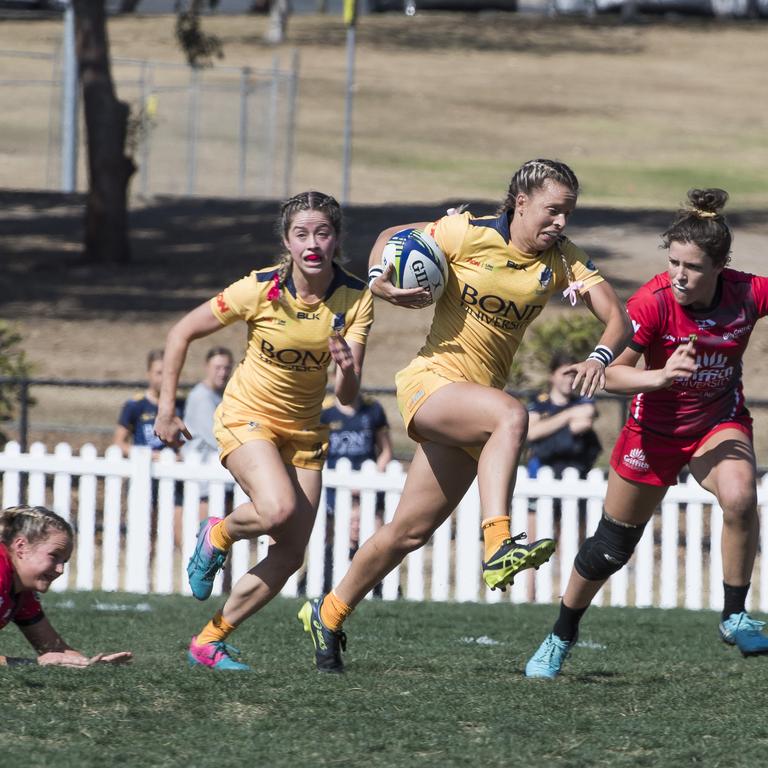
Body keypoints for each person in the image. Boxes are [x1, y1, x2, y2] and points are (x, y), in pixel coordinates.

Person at [298, 158, 632, 673]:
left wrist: (598, 357)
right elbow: (391, 233)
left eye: (569, 213)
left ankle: (329, 612)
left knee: (409, 532)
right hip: (432, 383)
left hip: (474, 405)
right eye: (553, 211)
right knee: (512, 416)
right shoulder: (464, 231)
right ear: (521, 203)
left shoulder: (564, 260)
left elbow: (618, 319)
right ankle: (499, 539)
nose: (561, 223)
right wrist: (378, 279)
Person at [526, 188, 768, 679]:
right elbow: (609, 374)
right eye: (674, 261)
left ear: (720, 267)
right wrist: (658, 378)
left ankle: (734, 615)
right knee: (610, 549)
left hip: (716, 425)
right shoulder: (652, 302)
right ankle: (561, 634)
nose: (679, 274)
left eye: (693, 266)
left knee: (741, 497)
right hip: (651, 433)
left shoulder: (748, 294)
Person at [153, 190, 374, 671]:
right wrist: (167, 410)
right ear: (287, 241)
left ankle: (208, 642)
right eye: (301, 234)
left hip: (306, 432)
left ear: (336, 240)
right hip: (246, 416)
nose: (312, 243)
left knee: (292, 551)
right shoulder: (259, 288)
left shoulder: (356, 297)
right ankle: (218, 535)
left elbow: (349, 397)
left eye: (322, 232)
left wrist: (347, 367)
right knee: (277, 509)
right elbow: (181, 333)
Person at [0, 505, 132, 668]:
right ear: (21, 547)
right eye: (54, 556)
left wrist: (90, 665)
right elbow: (47, 658)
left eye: (64, 561)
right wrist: (33, 663)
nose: (60, 569)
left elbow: (55, 649)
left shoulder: (21, 590)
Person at [320, 394, 394, 592]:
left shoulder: (373, 409)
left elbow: (386, 450)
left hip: (367, 491)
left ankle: (382, 587)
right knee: (330, 537)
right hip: (333, 490)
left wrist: (369, 480)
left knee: (374, 532)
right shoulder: (324, 411)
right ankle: (323, 583)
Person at [526, 350, 601, 479]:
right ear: (552, 375)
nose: (570, 380)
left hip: (575, 471)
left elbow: (586, 420)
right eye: (564, 374)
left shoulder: (581, 401)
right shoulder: (540, 402)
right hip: (542, 471)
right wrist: (569, 416)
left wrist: (547, 427)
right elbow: (532, 433)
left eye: (573, 375)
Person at [181, 346, 234, 519]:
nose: (222, 373)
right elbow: (215, 436)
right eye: (217, 368)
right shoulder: (202, 396)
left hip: (218, 471)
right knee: (205, 532)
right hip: (203, 475)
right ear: (207, 367)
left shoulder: (223, 395)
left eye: (226, 368)